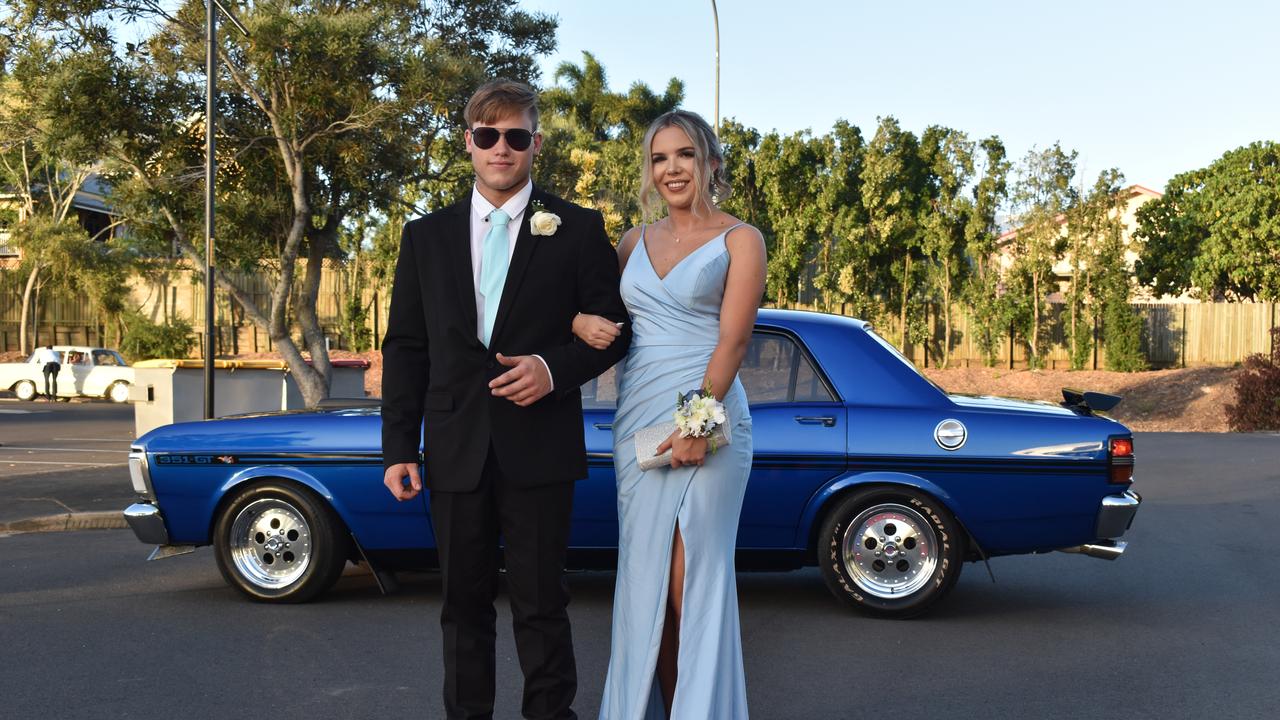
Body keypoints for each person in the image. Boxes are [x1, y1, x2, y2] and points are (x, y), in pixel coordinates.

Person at [380, 78, 632, 720]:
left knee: (542, 606)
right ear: (469, 142)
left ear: (535, 145)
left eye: (515, 136)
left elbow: (613, 330)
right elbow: (407, 348)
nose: (501, 148)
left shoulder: (576, 229)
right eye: (487, 135)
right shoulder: (425, 237)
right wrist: (398, 448)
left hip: (540, 449)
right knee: (461, 607)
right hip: (455, 447)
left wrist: (554, 369)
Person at [575, 110, 766, 719]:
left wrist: (696, 426)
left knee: (688, 589)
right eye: (660, 158)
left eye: (685, 154)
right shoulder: (632, 241)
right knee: (646, 590)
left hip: (707, 425)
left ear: (710, 162)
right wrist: (577, 321)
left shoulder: (742, 239)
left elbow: (733, 344)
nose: (672, 168)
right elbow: (600, 315)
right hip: (639, 425)